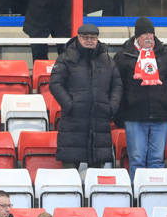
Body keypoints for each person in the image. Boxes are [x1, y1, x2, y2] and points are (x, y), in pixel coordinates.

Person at [114, 17, 167, 179]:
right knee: (137, 160)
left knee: (157, 160)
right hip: (134, 117)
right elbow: (117, 87)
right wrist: (119, 113)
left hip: (161, 116)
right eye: (144, 34)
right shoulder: (123, 56)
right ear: (136, 36)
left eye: (151, 33)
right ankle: (138, 198)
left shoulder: (166, 55)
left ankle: (155, 195)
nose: (148, 37)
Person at [49, 23, 123, 169]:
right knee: (70, 178)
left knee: (95, 180)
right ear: (78, 37)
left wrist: (111, 107)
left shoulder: (108, 61)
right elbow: (55, 84)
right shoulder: (65, 59)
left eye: (93, 37)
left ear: (97, 39)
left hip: (99, 122)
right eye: (85, 37)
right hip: (72, 123)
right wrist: (70, 104)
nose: (89, 40)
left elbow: (117, 85)